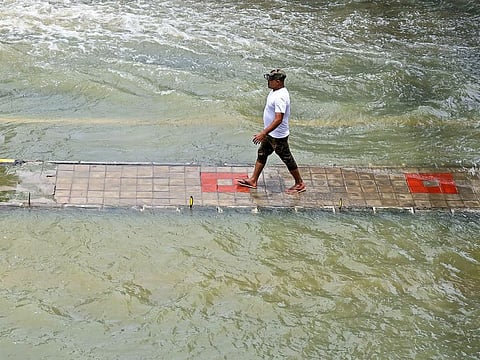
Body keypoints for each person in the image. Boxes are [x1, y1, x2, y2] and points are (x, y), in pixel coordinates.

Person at [238, 69, 306, 194]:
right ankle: (253, 180)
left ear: (278, 82)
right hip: (270, 134)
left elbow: (278, 119)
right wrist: (266, 133)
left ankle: (299, 183)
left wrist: (263, 133)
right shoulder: (274, 91)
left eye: (270, 80)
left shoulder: (280, 97)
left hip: (278, 136)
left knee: (287, 158)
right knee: (262, 154)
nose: (268, 82)